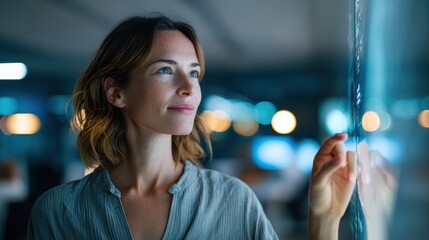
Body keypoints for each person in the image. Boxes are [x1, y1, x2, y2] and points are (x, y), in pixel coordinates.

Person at [27, 14, 357, 240]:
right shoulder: (59, 211)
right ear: (117, 92)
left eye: (194, 73)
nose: (189, 87)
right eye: (165, 71)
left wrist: (325, 220)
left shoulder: (233, 200)